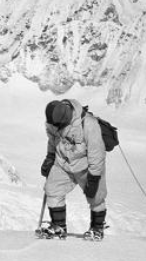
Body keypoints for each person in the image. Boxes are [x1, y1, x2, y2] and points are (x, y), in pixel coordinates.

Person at [40, 99, 107, 240]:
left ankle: (97, 228)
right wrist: (50, 157)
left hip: (86, 166)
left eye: (58, 125)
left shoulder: (88, 124)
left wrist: (94, 177)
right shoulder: (52, 122)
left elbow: (97, 152)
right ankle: (58, 227)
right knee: (52, 190)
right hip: (63, 163)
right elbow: (53, 140)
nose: (55, 127)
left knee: (96, 197)